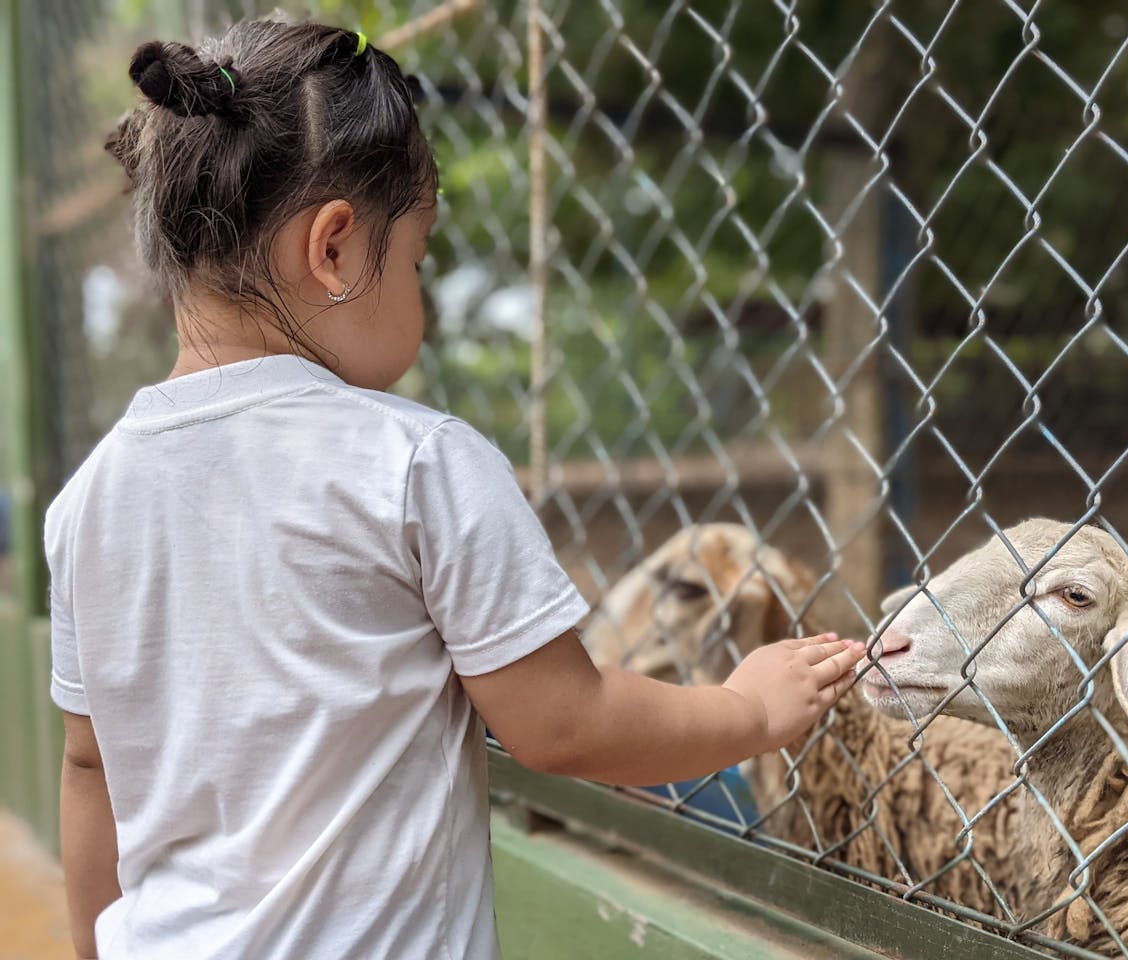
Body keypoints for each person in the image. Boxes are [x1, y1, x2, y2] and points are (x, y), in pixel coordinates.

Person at [46, 18, 864, 960]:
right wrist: (749, 713)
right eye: (421, 258)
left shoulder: (88, 499)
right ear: (338, 249)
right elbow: (565, 721)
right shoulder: (416, 463)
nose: (423, 298)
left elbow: (88, 766)